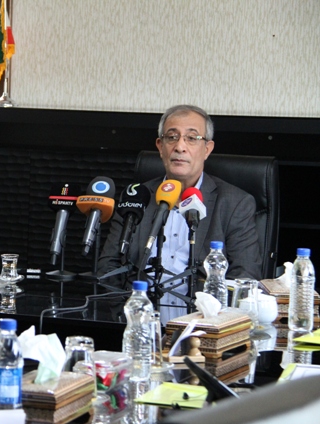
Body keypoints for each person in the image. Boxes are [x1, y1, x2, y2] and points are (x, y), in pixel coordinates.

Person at [97, 104, 262, 322]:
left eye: (191, 138)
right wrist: (129, 319)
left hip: (205, 329)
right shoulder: (136, 198)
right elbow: (108, 268)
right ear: (160, 146)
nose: (180, 147)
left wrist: (209, 328)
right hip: (141, 327)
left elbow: (245, 278)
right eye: (172, 137)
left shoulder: (235, 203)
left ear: (207, 149)